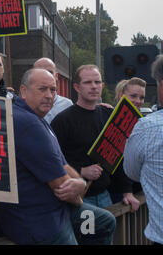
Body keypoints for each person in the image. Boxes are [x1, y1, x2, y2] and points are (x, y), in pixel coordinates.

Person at [0, 68, 115, 245]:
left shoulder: (38, 119)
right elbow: (63, 186)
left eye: (53, 90)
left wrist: (79, 183)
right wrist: (80, 189)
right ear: (24, 91)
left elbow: (63, 165)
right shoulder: (27, 123)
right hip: (40, 221)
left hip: (57, 209)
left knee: (104, 221)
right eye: (42, 89)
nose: (49, 95)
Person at [51, 65, 139, 211]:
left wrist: (127, 192)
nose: (93, 87)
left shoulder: (108, 114)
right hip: (79, 198)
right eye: (88, 82)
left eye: (97, 82)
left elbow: (118, 156)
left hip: (105, 195)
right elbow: (51, 160)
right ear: (77, 87)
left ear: (102, 86)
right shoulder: (62, 120)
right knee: (88, 234)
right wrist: (81, 171)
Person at [124, 55, 163, 245]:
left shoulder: (146, 127)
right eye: (133, 96)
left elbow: (131, 171)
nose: (138, 101)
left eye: (141, 97)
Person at [33, 57, 73, 124]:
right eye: (40, 72)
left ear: (56, 76)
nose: (45, 76)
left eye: (49, 72)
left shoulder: (67, 106)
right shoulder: (26, 104)